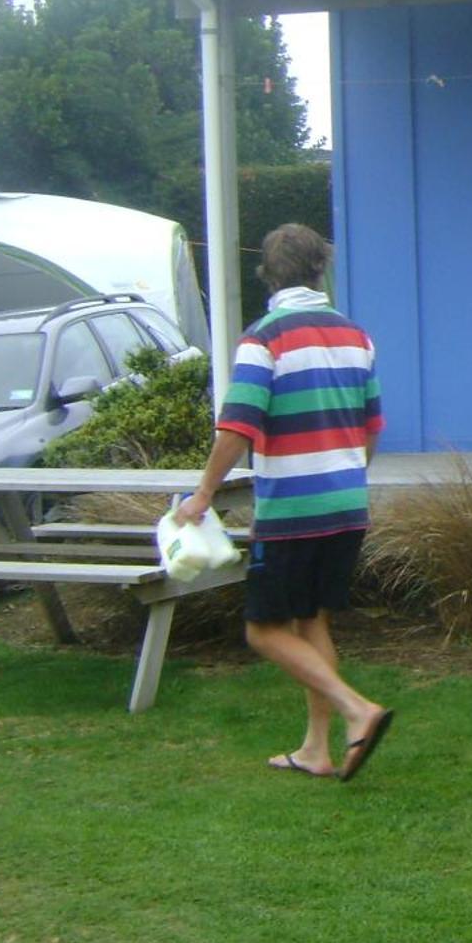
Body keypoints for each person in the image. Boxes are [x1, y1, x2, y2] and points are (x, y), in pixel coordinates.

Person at [176, 224, 393, 782]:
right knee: (310, 621)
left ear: (267, 273)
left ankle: (356, 710)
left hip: (294, 511)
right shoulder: (357, 337)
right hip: (348, 505)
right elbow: (372, 430)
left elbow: (236, 428)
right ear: (321, 267)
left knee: (263, 629)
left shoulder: (264, 338)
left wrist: (203, 494)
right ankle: (316, 750)